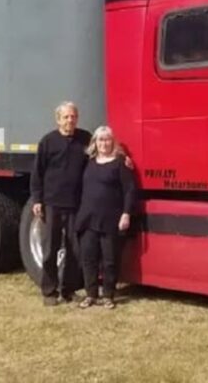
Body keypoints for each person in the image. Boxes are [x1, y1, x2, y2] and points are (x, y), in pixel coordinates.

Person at [30, 101, 90, 306]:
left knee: (75, 249)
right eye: (66, 117)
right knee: (50, 248)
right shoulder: (47, 142)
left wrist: (122, 158)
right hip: (52, 203)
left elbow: (101, 153)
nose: (70, 120)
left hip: (76, 204)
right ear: (58, 120)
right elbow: (37, 173)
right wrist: (37, 199)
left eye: (73, 116)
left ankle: (69, 290)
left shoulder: (84, 139)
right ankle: (49, 291)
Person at [75, 126, 136, 310]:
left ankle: (108, 295)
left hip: (111, 220)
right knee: (89, 258)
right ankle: (91, 295)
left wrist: (126, 214)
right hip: (88, 219)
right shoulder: (88, 162)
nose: (104, 143)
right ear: (95, 142)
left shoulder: (120, 163)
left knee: (110, 260)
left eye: (107, 139)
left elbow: (129, 191)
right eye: (100, 140)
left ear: (112, 142)